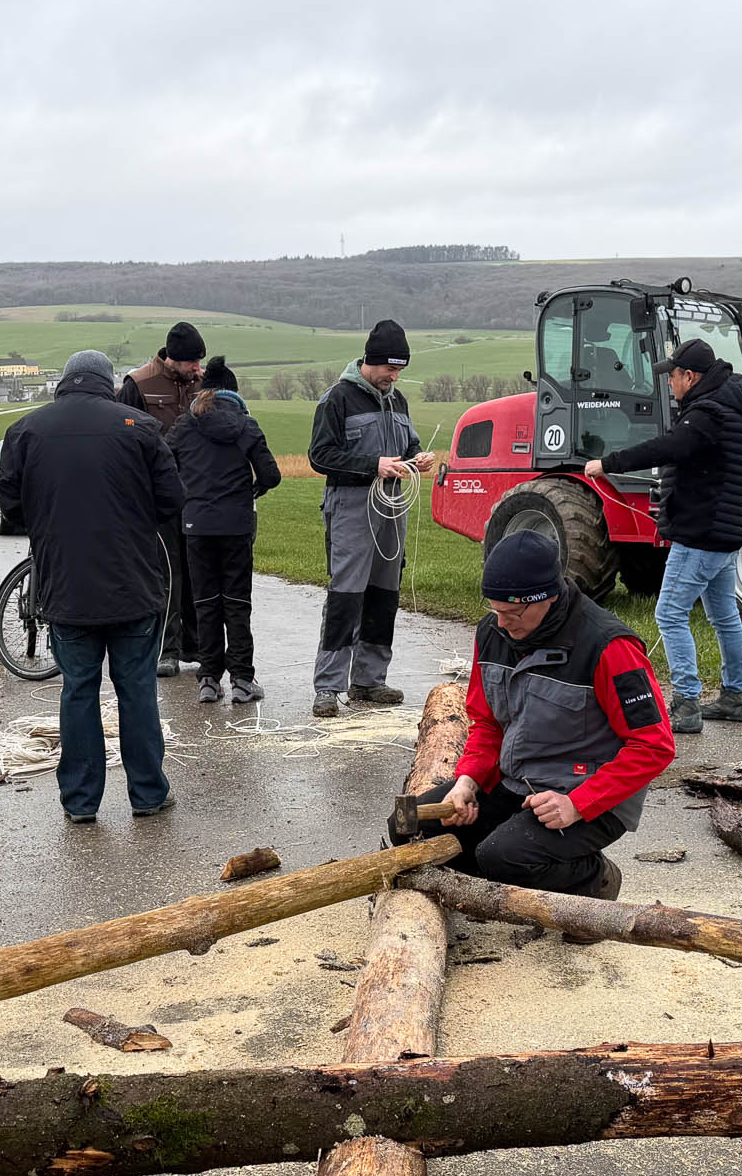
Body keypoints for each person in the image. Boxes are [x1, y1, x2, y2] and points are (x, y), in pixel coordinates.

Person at [391, 531, 674, 898]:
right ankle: (499, 878)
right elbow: (488, 723)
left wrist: (577, 804)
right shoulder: (492, 633)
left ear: (548, 597)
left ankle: (596, 880)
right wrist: (468, 781)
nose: (502, 623)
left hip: (587, 794)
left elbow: (653, 747)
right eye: (495, 610)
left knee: (506, 857)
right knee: (409, 827)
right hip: (517, 781)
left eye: (512, 613)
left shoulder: (609, 647)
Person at [0, 351, 184, 823]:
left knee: (78, 690)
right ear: (108, 383)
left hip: (65, 586)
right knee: (136, 690)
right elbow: (172, 499)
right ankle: (148, 793)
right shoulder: (140, 427)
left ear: (64, 380)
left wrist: (48, 523)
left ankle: (80, 801)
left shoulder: (26, 430)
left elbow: (11, 506)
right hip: (133, 582)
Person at [585, 338, 742, 733]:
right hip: (725, 532)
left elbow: (667, 447)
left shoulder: (706, 414)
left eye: (673, 376)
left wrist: (608, 463)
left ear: (690, 376)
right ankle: (735, 696)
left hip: (700, 534)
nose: (670, 383)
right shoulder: (733, 409)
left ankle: (686, 703)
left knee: (669, 613)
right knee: (725, 617)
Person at [307, 319, 434, 717]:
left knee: (384, 593)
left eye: (399, 370)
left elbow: (408, 445)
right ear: (370, 360)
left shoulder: (398, 401)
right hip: (351, 506)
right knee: (346, 595)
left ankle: (368, 679)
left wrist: (417, 459)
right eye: (389, 369)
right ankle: (328, 686)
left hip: (392, 507)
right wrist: (372, 465)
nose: (394, 377)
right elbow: (320, 456)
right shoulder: (337, 399)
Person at [168, 357, 280, 705]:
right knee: (237, 602)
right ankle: (243, 679)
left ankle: (208, 678)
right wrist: (255, 488)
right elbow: (272, 475)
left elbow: (164, 465)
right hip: (236, 525)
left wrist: (187, 494)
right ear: (234, 393)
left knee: (205, 603)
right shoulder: (245, 425)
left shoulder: (185, 426)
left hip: (196, 525)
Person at [117, 320, 205, 677]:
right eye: (192, 362)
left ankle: (196, 645)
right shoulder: (138, 385)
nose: (198, 368)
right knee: (167, 573)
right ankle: (167, 649)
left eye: (200, 361)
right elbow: (122, 438)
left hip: (198, 494)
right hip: (156, 497)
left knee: (197, 571)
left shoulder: (202, 384)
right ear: (174, 358)